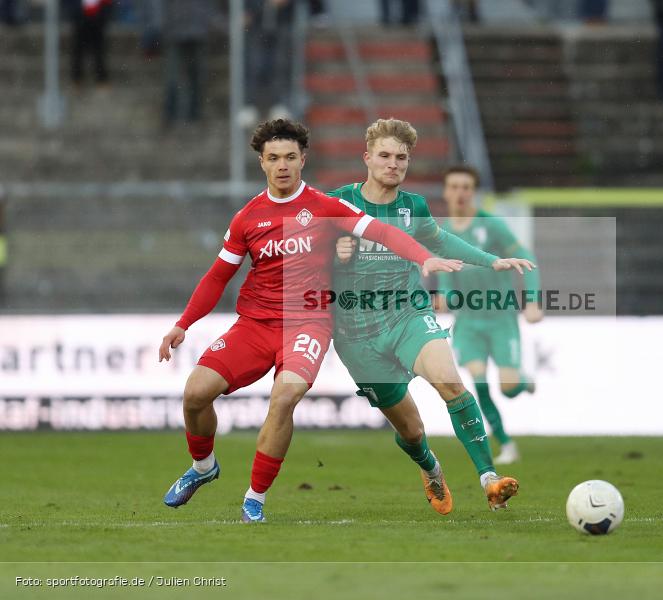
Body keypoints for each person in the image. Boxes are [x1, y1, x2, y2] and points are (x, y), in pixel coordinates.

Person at [158, 119, 462, 523]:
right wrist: (183, 323)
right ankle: (203, 467)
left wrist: (423, 257)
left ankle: (255, 498)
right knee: (195, 393)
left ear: (303, 159)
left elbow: (383, 233)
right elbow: (218, 276)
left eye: (289, 157)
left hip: (309, 324)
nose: (282, 165)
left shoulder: (325, 207)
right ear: (262, 163)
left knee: (284, 397)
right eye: (273, 158)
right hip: (256, 325)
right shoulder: (247, 218)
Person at [330, 118, 533, 514]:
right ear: (367, 157)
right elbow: (305, 251)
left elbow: (441, 240)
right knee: (411, 430)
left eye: (401, 158)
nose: (393, 164)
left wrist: (492, 261)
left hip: (408, 315)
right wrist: (332, 250)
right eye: (385, 155)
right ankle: (430, 467)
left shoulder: (413, 207)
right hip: (356, 334)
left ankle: (489, 481)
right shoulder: (337, 202)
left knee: (451, 383)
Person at [435, 165, 542, 465]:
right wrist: (444, 297)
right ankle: (506, 444)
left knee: (508, 389)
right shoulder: (441, 235)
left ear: (473, 192)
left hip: (501, 319)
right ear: (445, 191)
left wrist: (531, 301)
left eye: (466, 187)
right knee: (478, 384)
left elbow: (527, 257)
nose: (459, 193)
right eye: (454, 186)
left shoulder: (490, 225)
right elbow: (446, 277)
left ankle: (522, 381)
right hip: (468, 323)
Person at [239, 0, 298, 128]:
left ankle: (280, 105)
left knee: (281, 64)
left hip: (283, 20)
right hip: (256, 23)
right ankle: (249, 105)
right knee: (255, 65)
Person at [65, 0, 113, 89]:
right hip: (80, 18)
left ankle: (101, 78)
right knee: (78, 50)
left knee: (98, 50)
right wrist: (76, 13)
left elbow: (108, 4)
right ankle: (77, 78)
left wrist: (103, 14)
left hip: (98, 18)